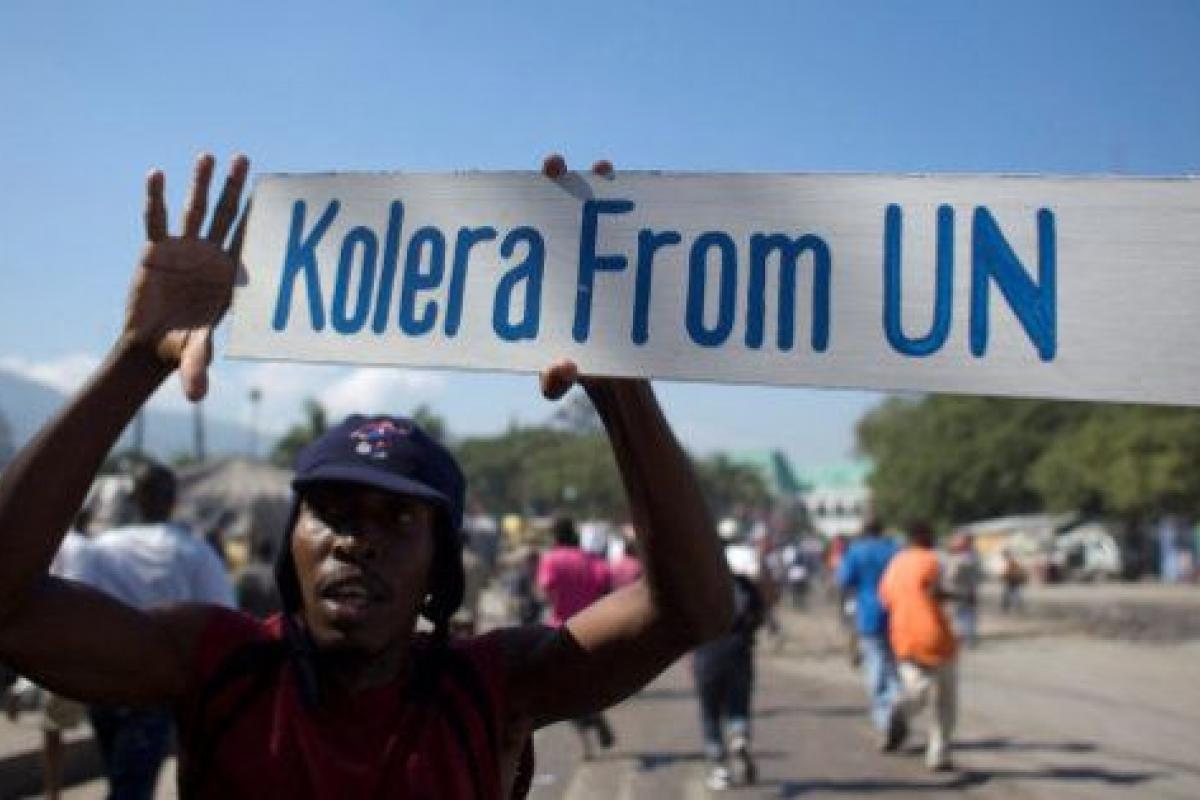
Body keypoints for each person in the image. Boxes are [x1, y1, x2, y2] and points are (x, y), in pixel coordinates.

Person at [0, 153, 734, 799]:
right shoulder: (217, 662)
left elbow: (692, 611)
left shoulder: (490, 686)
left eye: (400, 518)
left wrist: (620, 384)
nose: (357, 541)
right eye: (334, 511)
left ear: (441, 567)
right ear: (291, 543)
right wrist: (136, 360)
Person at [74, 457, 236, 799]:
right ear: (173, 499)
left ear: (135, 497)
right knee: (132, 787)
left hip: (101, 683)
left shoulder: (99, 548)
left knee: (120, 778)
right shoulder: (194, 551)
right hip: (152, 689)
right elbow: (225, 622)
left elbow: (78, 610)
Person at [879, 521, 959, 771]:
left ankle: (902, 706)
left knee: (917, 687)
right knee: (944, 700)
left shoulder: (895, 564)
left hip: (903, 635)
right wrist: (956, 596)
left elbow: (885, 598)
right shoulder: (935, 561)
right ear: (927, 537)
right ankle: (938, 753)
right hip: (936, 636)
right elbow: (940, 590)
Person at [537, 516, 618, 759]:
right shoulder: (591, 559)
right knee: (586, 685)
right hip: (593, 629)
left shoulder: (551, 559)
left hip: (561, 632)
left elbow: (544, 592)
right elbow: (606, 588)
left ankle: (587, 742)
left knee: (563, 693)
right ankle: (594, 716)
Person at [691, 562, 765, 791]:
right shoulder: (744, 584)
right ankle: (739, 737)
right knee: (738, 705)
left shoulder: (696, 588)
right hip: (739, 651)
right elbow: (759, 616)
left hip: (706, 655)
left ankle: (720, 769)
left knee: (710, 714)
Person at [836, 518, 905, 750]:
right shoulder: (895, 550)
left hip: (869, 614)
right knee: (893, 666)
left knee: (876, 667)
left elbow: (844, 580)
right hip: (897, 614)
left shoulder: (857, 552)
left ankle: (885, 721)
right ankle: (898, 698)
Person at [945, 533, 982, 647]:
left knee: (963, 615)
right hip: (968, 590)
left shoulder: (964, 558)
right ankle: (968, 639)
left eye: (957, 540)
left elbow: (952, 575)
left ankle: (967, 639)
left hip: (960, 590)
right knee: (966, 615)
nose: (954, 542)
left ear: (966, 542)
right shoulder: (972, 555)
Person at [235, 536, 283, 619]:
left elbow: (240, 600)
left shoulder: (247, 573)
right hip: (271, 619)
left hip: (252, 619)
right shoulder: (277, 573)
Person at [999, 549, 1027, 613]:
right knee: (1013, 593)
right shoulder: (1011, 561)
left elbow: (1012, 571)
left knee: (1012, 593)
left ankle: (1010, 605)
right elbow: (1008, 571)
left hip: (1013, 580)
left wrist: (1005, 575)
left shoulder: (1012, 562)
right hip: (1012, 580)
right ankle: (1011, 605)